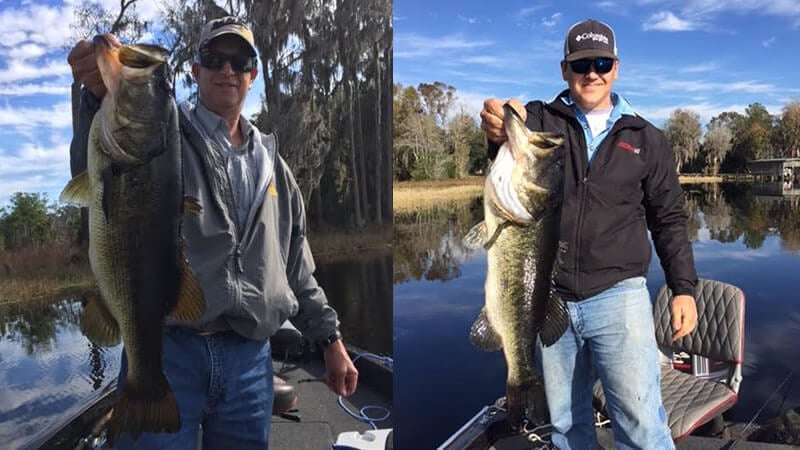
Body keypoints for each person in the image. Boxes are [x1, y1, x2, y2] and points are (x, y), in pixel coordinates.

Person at [66, 16, 358, 450]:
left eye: (239, 61)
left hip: (251, 362)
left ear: (253, 75)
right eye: (213, 58)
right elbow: (99, 174)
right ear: (196, 71)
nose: (227, 70)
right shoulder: (165, 136)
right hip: (167, 353)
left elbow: (296, 264)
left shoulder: (274, 165)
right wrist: (93, 96)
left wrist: (330, 339)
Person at [480, 19, 698, 450]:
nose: (591, 73)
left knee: (640, 423)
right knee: (565, 427)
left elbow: (669, 219)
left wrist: (683, 288)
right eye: (581, 64)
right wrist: (497, 124)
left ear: (615, 68)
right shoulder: (543, 120)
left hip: (620, 296)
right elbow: (509, 141)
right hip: (548, 298)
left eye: (601, 63)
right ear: (565, 69)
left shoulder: (646, 138)